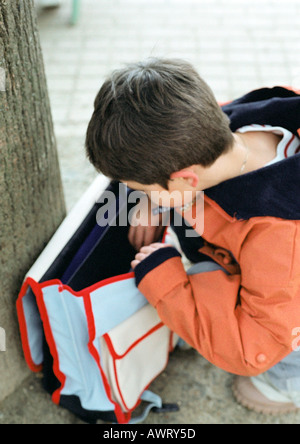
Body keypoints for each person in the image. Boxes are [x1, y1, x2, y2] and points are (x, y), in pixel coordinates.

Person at [85, 58, 300, 415]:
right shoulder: (229, 124)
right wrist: (151, 201)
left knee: (275, 337)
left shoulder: (279, 235)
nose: (141, 195)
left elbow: (252, 346)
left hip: (287, 304)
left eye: (143, 188)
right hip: (266, 267)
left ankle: (289, 381)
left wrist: (166, 284)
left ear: (186, 178)